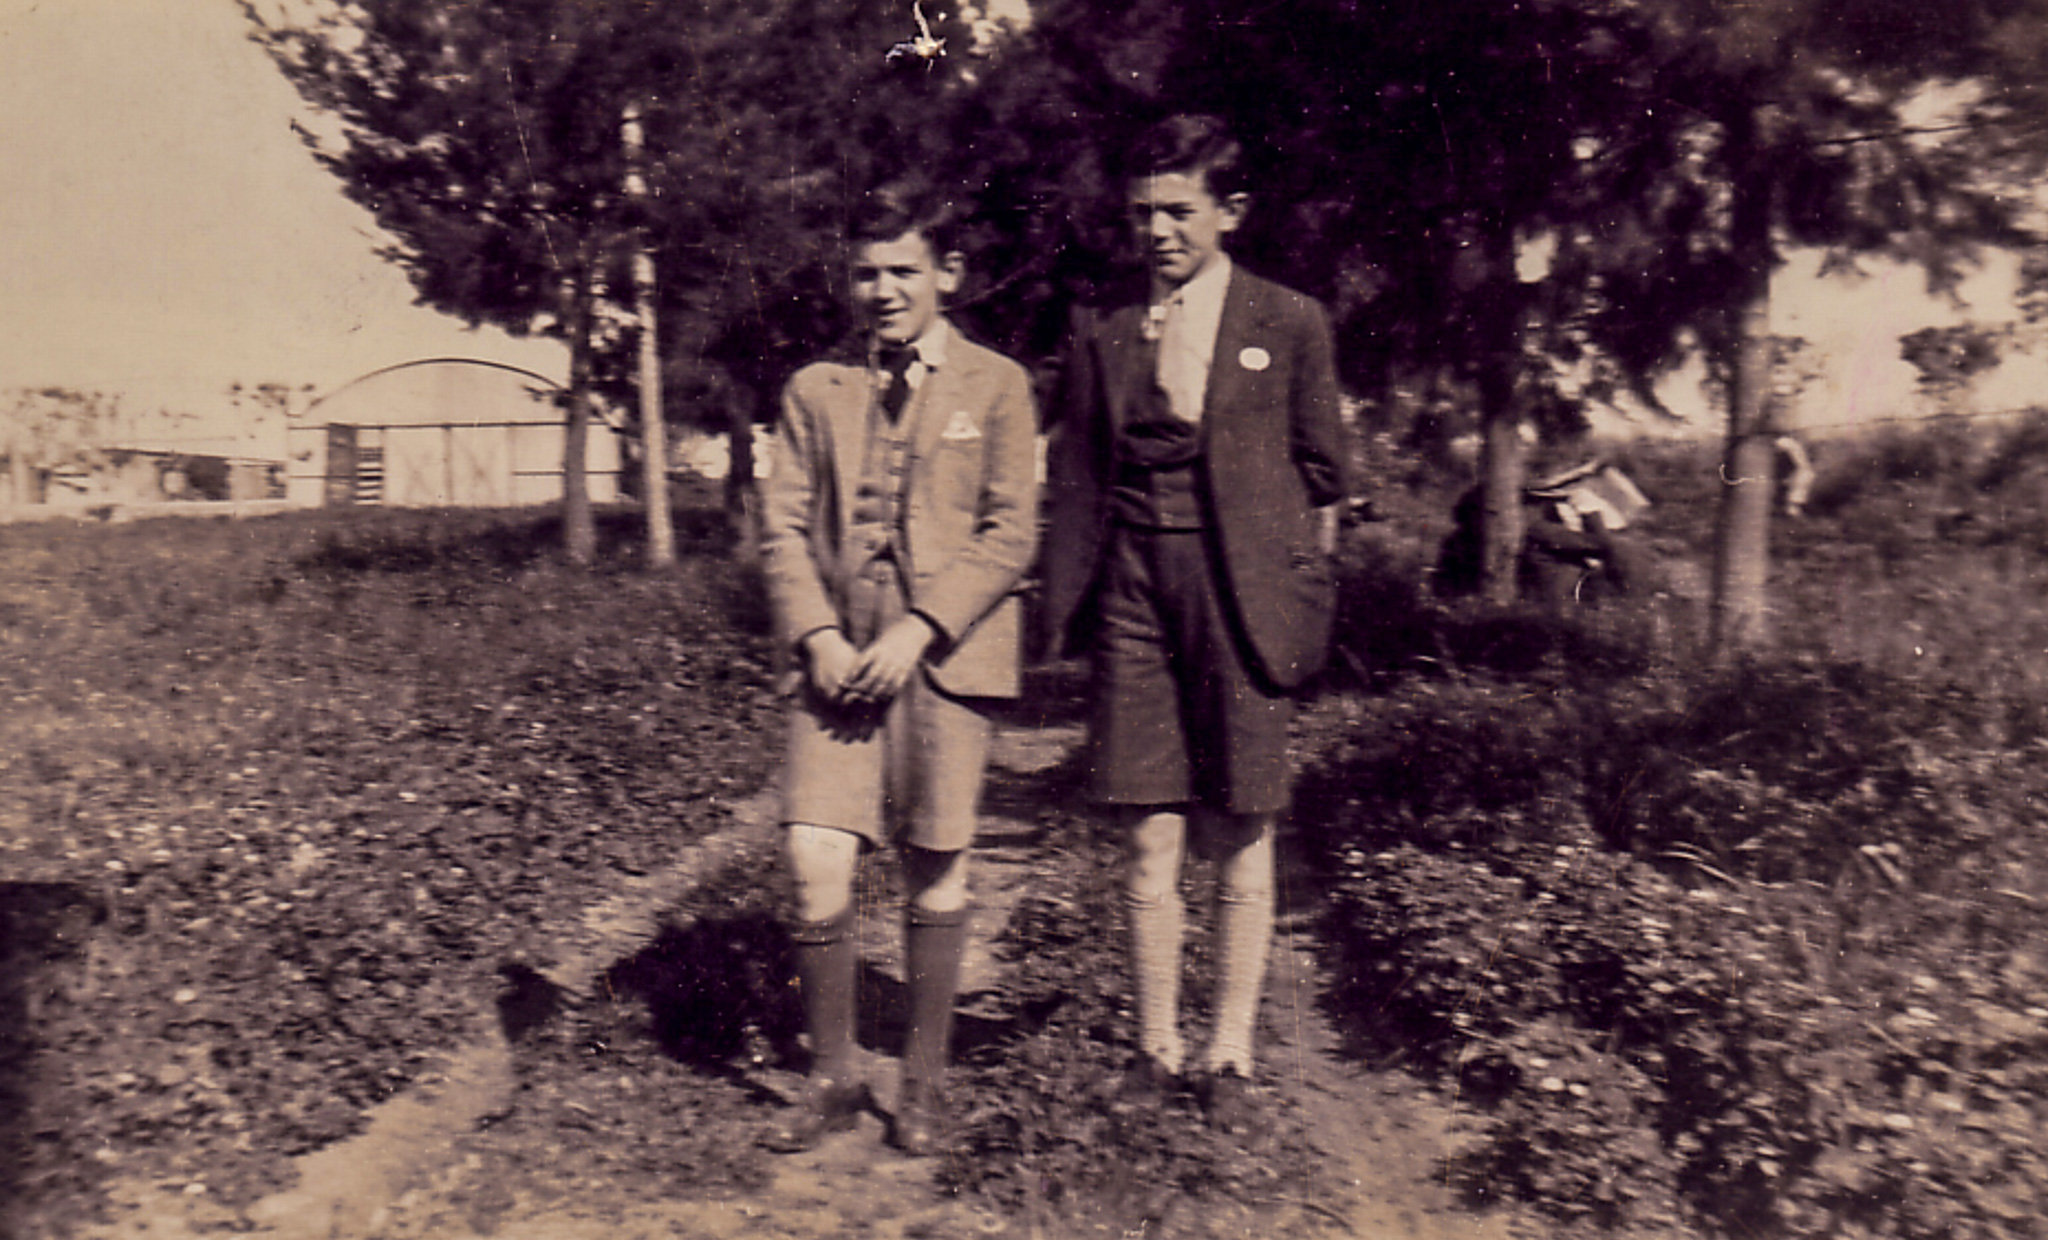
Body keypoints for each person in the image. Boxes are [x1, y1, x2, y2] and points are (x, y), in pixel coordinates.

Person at [1038, 115, 1350, 1130]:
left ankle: (1228, 1052)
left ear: (1230, 211)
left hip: (1238, 590)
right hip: (1131, 582)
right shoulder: (1101, 320)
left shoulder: (1287, 320)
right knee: (1145, 830)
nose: (1158, 232)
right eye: (1142, 214)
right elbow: (1079, 464)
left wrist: (1293, 591)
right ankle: (1152, 1048)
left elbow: (1321, 470)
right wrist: (1068, 596)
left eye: (1179, 212)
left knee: (1241, 824)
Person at [756, 182, 1040, 1156]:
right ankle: (833, 1077)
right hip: (835, 661)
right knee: (812, 853)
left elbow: (1009, 533)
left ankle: (921, 1084)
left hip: (943, 660)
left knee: (935, 863)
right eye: (864, 272)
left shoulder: (995, 384)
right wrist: (820, 638)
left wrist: (920, 626)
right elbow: (782, 530)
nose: (880, 291)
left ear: (946, 276)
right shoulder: (813, 392)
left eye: (902, 271)